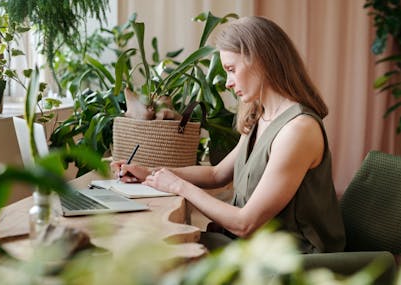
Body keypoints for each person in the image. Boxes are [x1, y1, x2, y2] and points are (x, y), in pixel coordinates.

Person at [111, 16, 346, 253]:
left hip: (293, 261)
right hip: (253, 249)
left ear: (261, 60)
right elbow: (216, 174)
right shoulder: (261, 116)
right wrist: (150, 173)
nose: (228, 83)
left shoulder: (297, 130)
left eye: (231, 70)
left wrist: (178, 186)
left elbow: (246, 223)